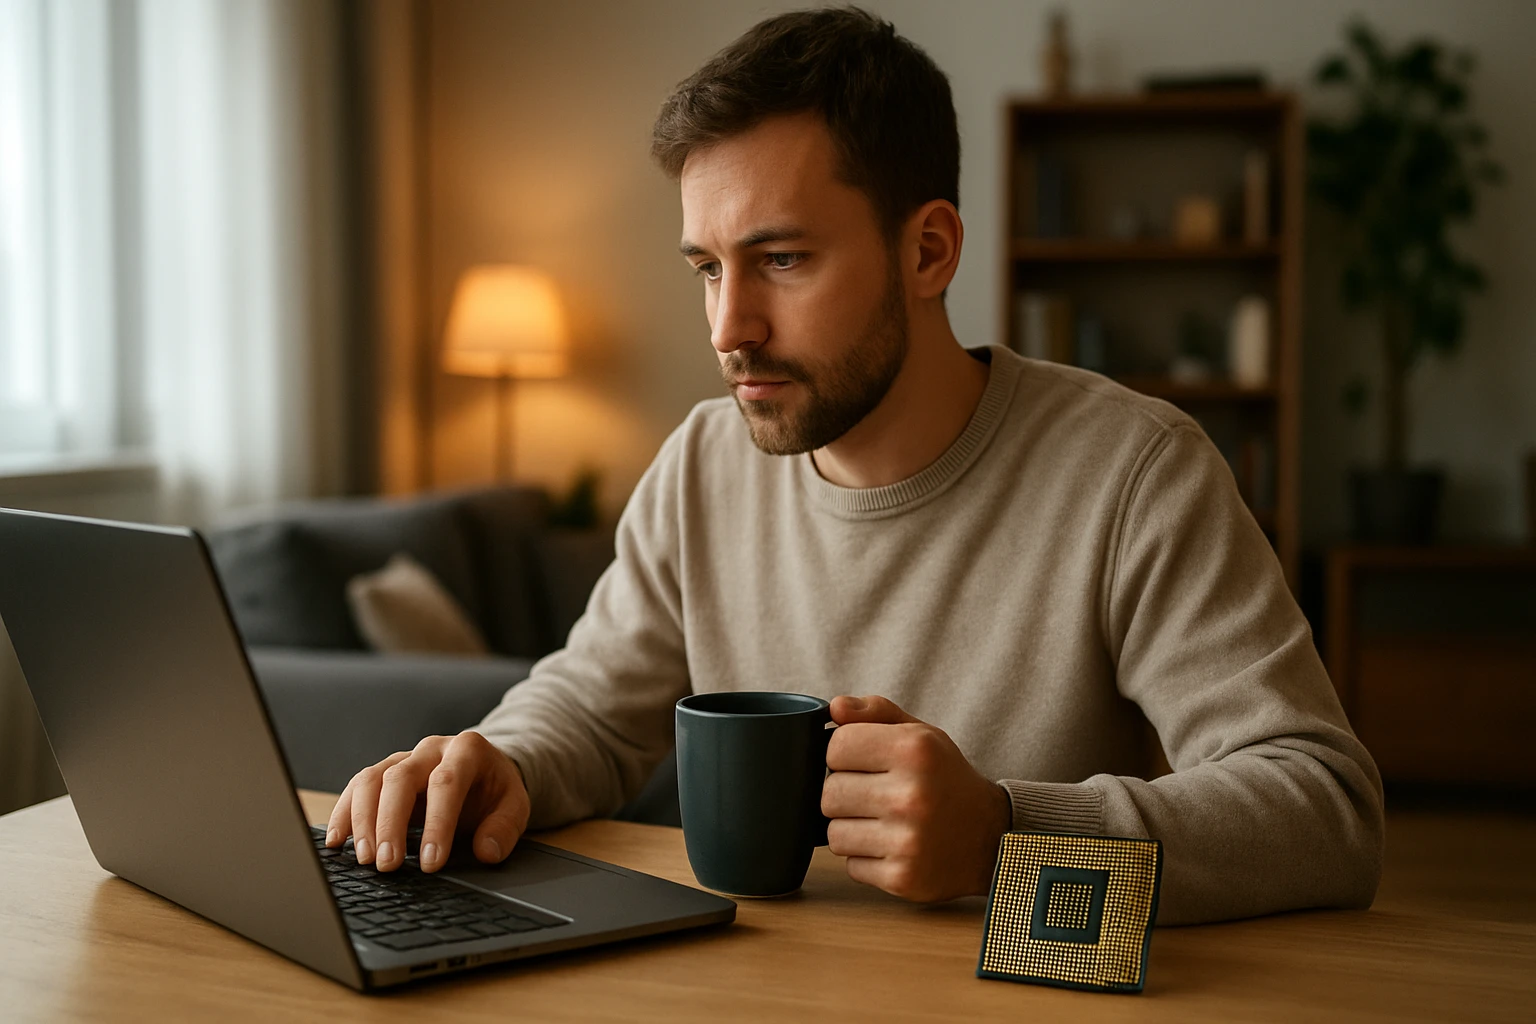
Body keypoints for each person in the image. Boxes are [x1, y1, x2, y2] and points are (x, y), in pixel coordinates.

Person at [327, 7, 1383, 924]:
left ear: (928, 252)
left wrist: (1008, 828)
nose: (728, 326)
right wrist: (494, 759)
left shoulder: (1136, 473)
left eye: (781, 259)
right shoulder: (702, 463)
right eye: (707, 268)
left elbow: (1324, 806)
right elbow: (595, 709)